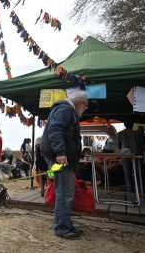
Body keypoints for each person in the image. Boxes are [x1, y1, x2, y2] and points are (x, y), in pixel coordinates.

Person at [42, 90, 88, 240]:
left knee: (65, 191)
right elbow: (55, 129)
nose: (85, 109)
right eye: (85, 106)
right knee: (65, 193)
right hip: (59, 157)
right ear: (80, 103)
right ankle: (62, 228)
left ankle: (65, 224)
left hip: (60, 157)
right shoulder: (66, 109)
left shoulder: (66, 110)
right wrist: (60, 152)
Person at [117, 122, 143, 193]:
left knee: (127, 172)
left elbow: (117, 145)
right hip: (136, 154)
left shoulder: (120, 133)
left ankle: (130, 190)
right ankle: (140, 189)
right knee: (137, 172)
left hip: (125, 155)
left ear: (125, 125)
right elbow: (141, 145)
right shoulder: (136, 133)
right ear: (132, 125)